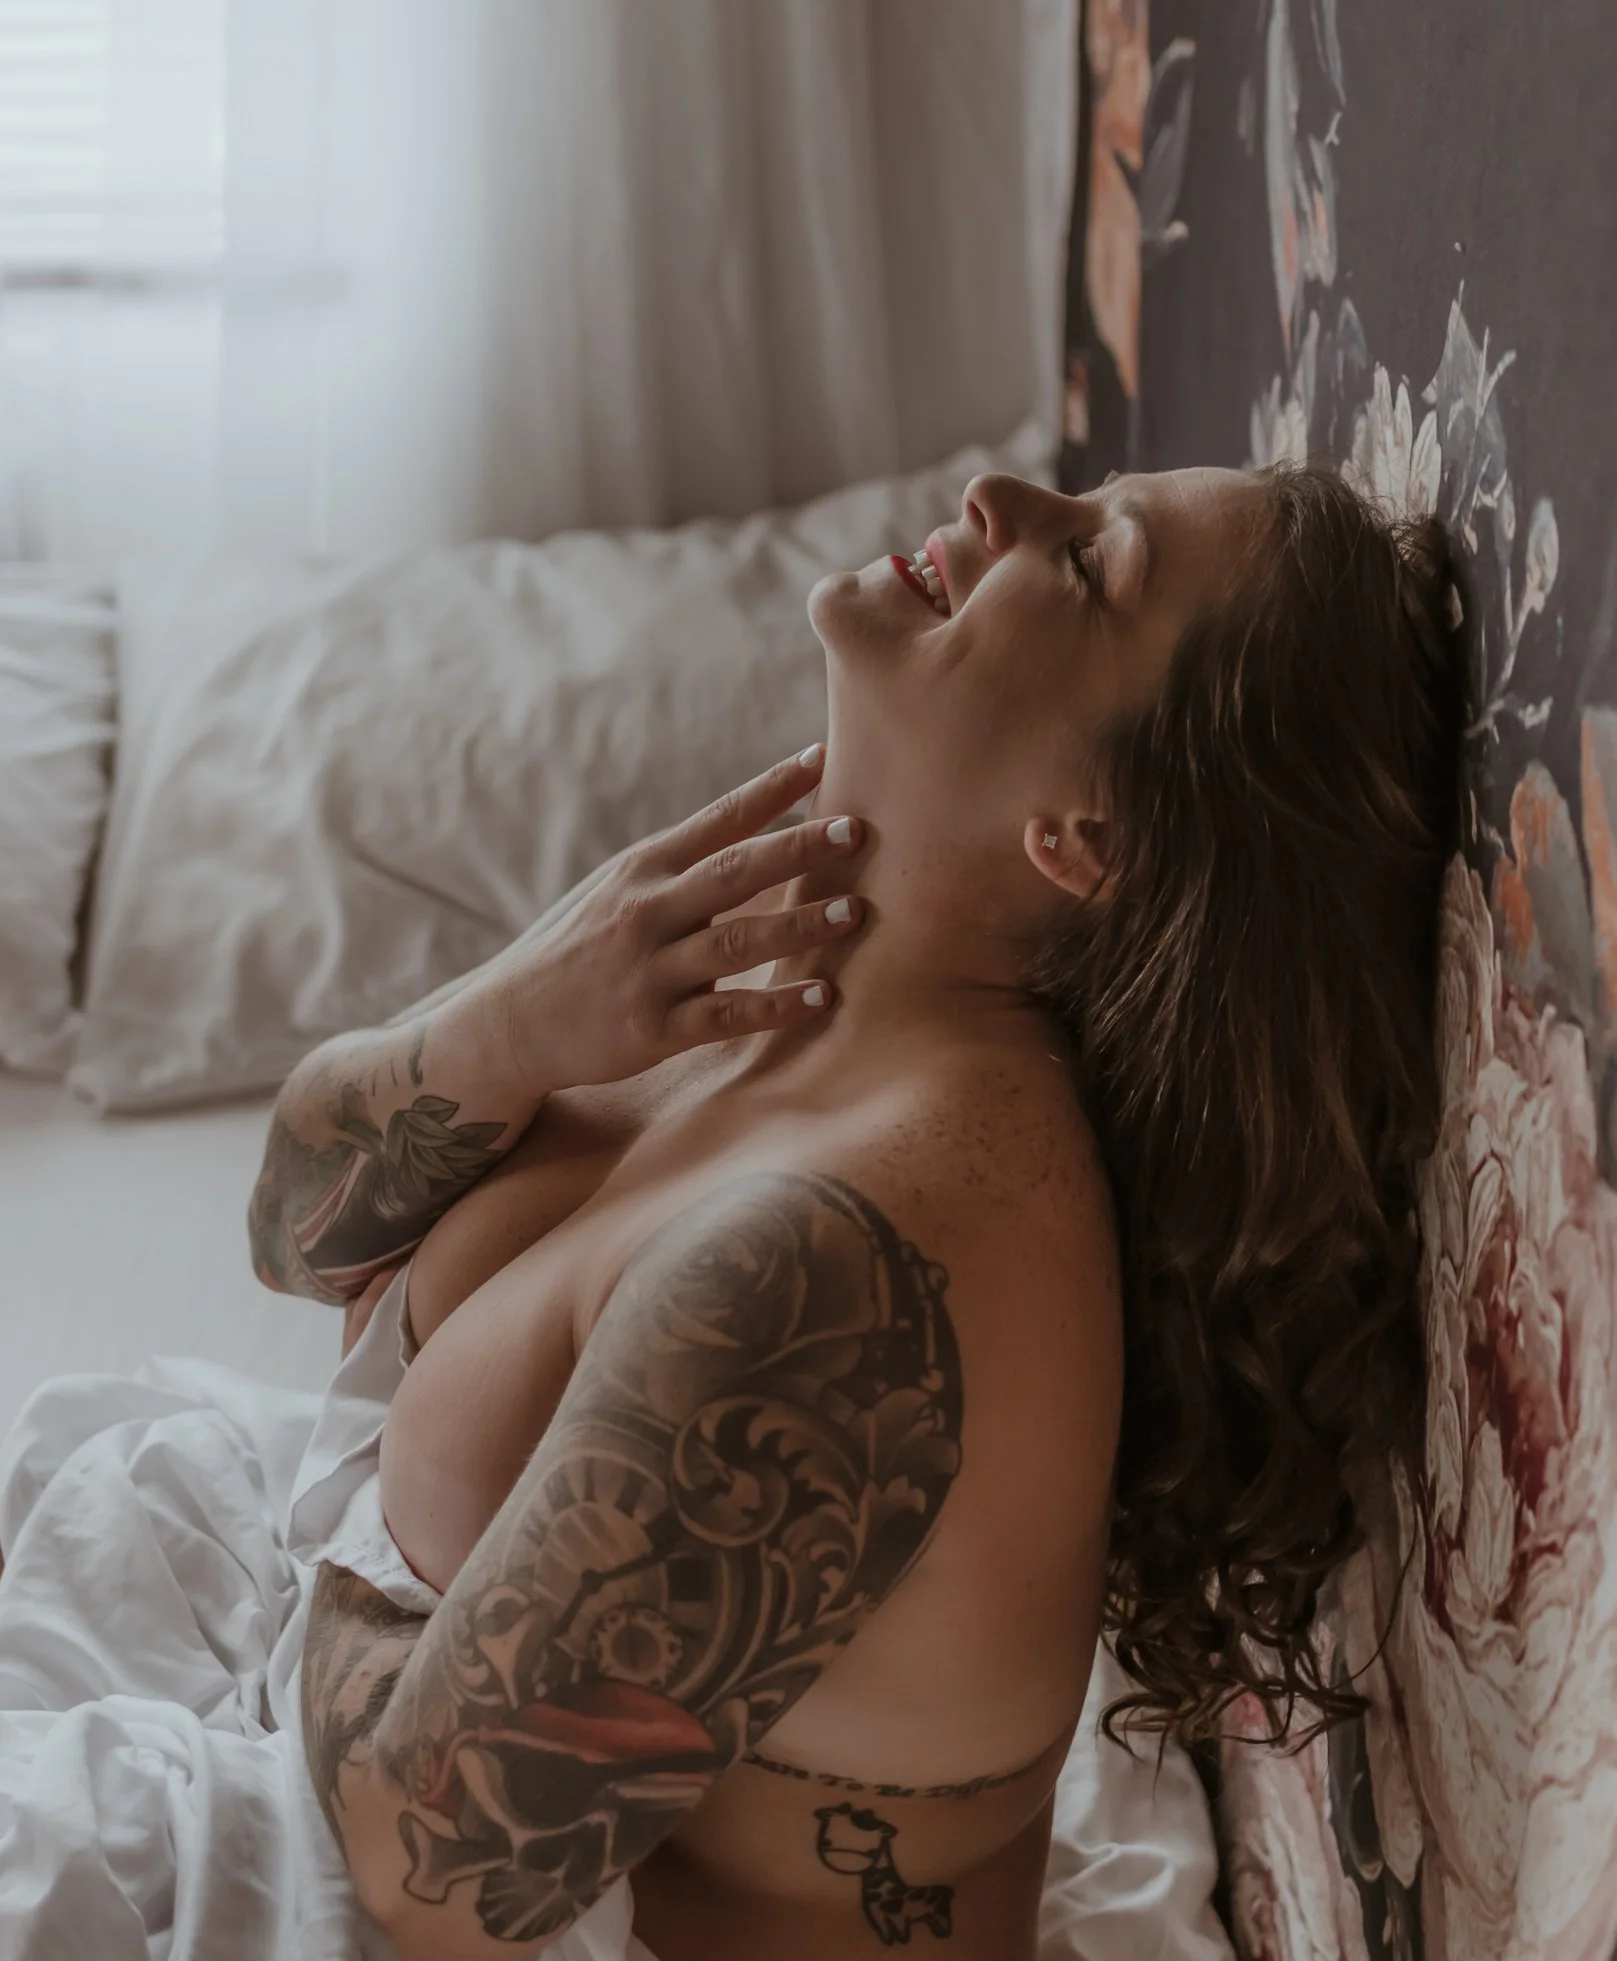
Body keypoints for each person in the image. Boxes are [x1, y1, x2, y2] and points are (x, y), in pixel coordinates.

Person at [249, 460, 1466, 1961]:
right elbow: (295, 1235)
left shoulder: (849, 1271)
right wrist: (501, 1032)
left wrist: (336, 1579)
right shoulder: (728, 955)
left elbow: (434, 1861)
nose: (1004, 493)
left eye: (1090, 563)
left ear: (1086, 835)